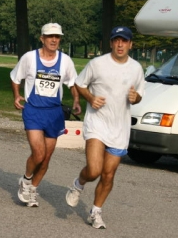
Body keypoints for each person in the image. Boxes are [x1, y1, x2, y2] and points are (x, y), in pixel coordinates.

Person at [65, 26, 145, 229]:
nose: (120, 44)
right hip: (97, 124)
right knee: (94, 170)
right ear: (111, 43)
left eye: (124, 41)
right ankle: (78, 184)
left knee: (108, 174)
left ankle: (96, 212)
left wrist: (136, 98)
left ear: (130, 44)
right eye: (116, 40)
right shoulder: (97, 64)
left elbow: (140, 94)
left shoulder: (136, 68)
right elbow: (79, 83)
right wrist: (90, 98)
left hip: (120, 128)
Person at [10, 23, 81, 207]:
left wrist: (75, 99)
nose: (54, 40)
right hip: (33, 110)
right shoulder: (29, 58)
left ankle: (33, 188)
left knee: (46, 157)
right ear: (42, 38)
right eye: (50, 36)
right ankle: (25, 180)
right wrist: (17, 95)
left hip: (54, 113)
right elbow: (15, 77)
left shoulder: (65, 60)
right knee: (39, 153)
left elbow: (73, 83)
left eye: (57, 36)